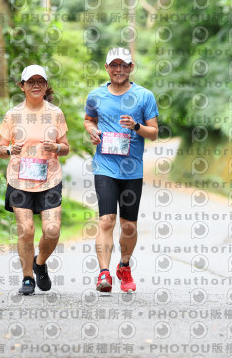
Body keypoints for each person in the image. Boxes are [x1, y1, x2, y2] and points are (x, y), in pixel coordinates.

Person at [84, 47, 159, 293]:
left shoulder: (144, 96)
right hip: (105, 166)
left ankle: (124, 266)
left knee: (128, 227)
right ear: (106, 67)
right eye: (114, 65)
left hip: (132, 170)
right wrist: (92, 131)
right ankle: (103, 274)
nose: (119, 69)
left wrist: (136, 126)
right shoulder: (95, 95)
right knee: (106, 220)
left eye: (124, 65)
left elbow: (154, 133)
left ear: (131, 67)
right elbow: (89, 119)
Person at [0, 65, 70, 295]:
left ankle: (39, 263)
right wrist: (10, 150)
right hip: (20, 180)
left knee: (52, 230)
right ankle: (27, 277)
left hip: (50, 179)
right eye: (31, 82)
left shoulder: (55, 113)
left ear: (46, 86)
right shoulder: (13, 115)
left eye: (40, 81)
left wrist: (56, 147)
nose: (36, 85)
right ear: (22, 86)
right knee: (26, 230)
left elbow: (66, 148)